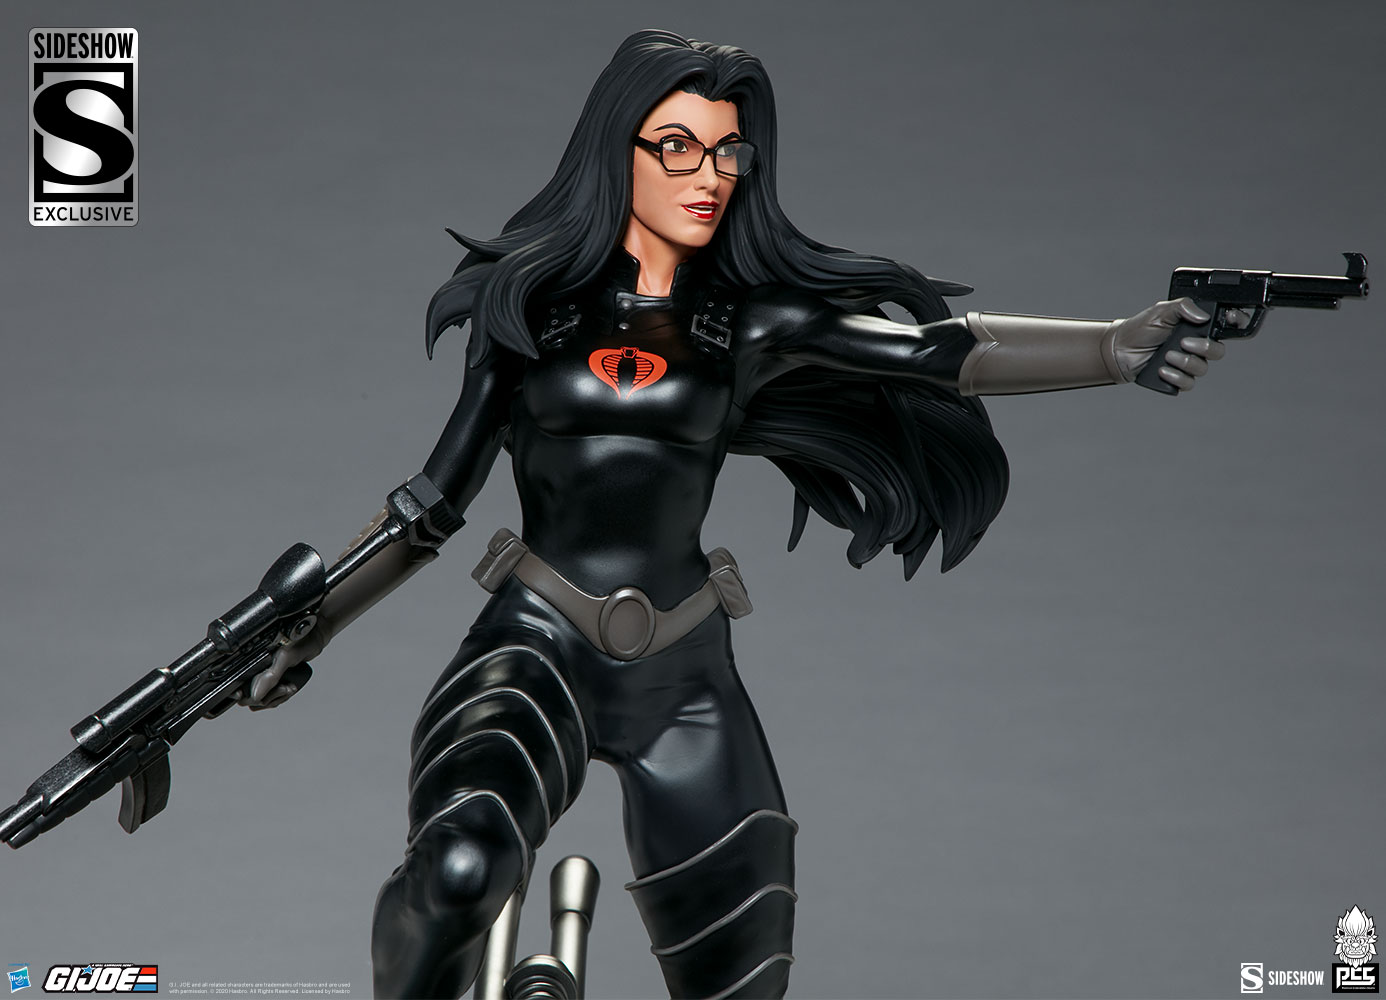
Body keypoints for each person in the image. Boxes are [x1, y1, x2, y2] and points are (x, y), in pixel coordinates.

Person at [243, 29, 1229, 1000]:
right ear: (619, 151)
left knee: (745, 975)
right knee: (460, 868)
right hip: (536, 643)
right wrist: (311, 625)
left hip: (683, 673)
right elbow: (431, 505)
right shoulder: (529, 310)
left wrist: (1112, 347)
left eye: (727, 152)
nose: (708, 175)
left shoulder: (747, 323)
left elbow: (937, 351)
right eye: (678, 146)